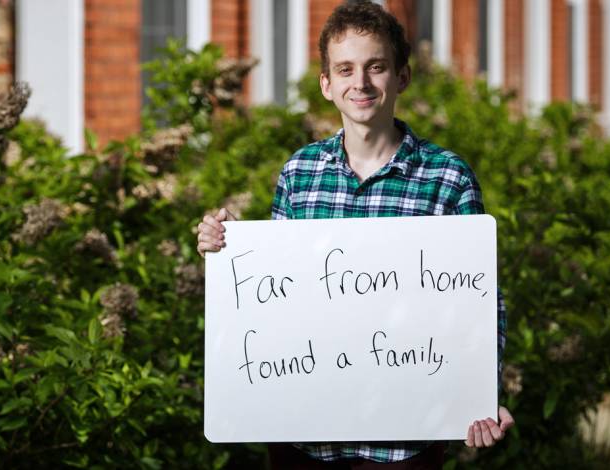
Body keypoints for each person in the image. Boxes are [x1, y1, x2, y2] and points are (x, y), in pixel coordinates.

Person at [196, 2, 514, 468]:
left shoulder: (447, 178)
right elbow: (274, 299)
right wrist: (226, 249)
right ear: (327, 84)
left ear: (401, 77)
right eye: (345, 69)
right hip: (304, 435)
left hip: (404, 440)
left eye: (376, 67)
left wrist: (483, 393)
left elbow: (482, 304)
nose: (360, 83)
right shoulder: (299, 173)